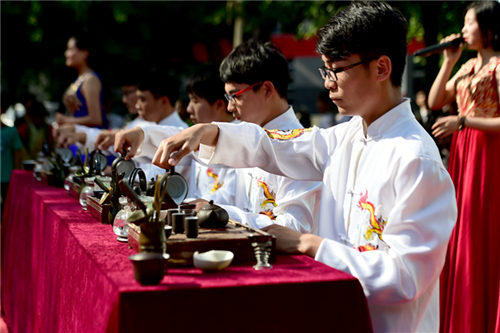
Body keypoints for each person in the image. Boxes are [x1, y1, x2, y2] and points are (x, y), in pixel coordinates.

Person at [149, 3, 457, 332]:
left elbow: (405, 276)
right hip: (332, 310)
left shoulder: (417, 160)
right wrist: (211, 131)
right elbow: (276, 144)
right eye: (326, 71)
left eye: (336, 70)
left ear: (381, 68)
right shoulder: (347, 135)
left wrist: (308, 244)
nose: (328, 84)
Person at [115, 40, 321, 233]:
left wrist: (221, 213)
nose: (230, 107)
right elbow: (194, 139)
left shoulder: (299, 148)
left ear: (267, 90)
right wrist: (143, 135)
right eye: (227, 97)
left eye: (236, 96)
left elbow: (296, 228)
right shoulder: (248, 133)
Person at [428, 2, 500, 332]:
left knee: (479, 229)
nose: (464, 28)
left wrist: (464, 121)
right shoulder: (469, 65)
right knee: (460, 227)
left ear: (487, 27)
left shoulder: (498, 66)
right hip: (464, 153)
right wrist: (449, 61)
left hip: (488, 157)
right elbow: (434, 101)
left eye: (469, 22)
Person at [56, 34, 108, 129]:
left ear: (84, 53)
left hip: (90, 140)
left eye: (71, 49)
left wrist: (66, 120)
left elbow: (96, 119)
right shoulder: (79, 79)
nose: (66, 54)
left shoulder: (90, 80)